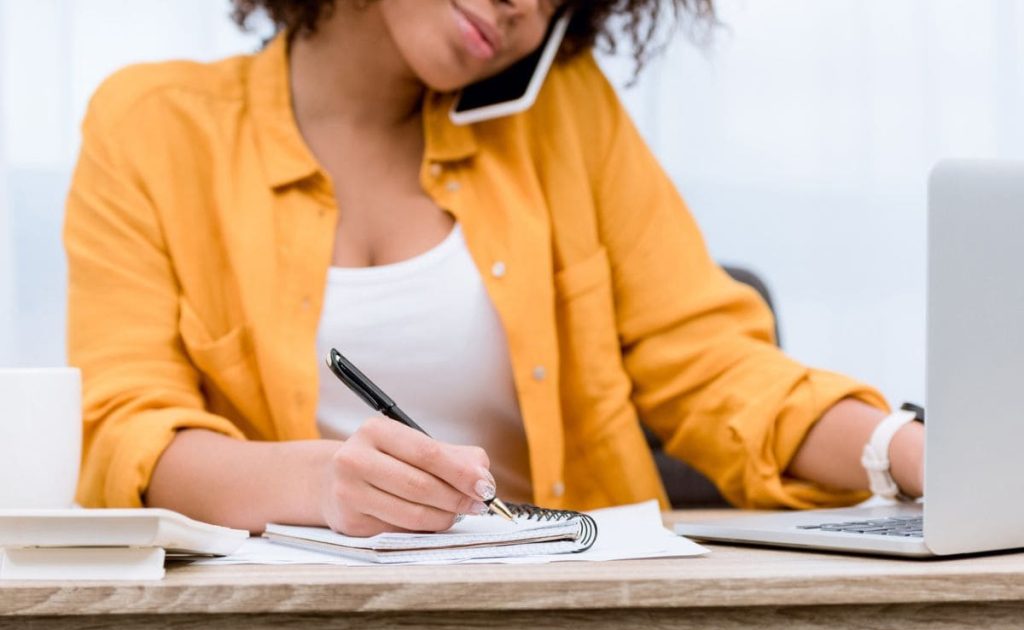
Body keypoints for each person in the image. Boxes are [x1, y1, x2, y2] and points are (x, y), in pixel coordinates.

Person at [64, 0, 924, 536]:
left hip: (564, 623)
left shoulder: (566, 116)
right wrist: (324, 483)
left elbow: (718, 368)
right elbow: (127, 436)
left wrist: (908, 449)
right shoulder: (152, 128)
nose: (525, 7)